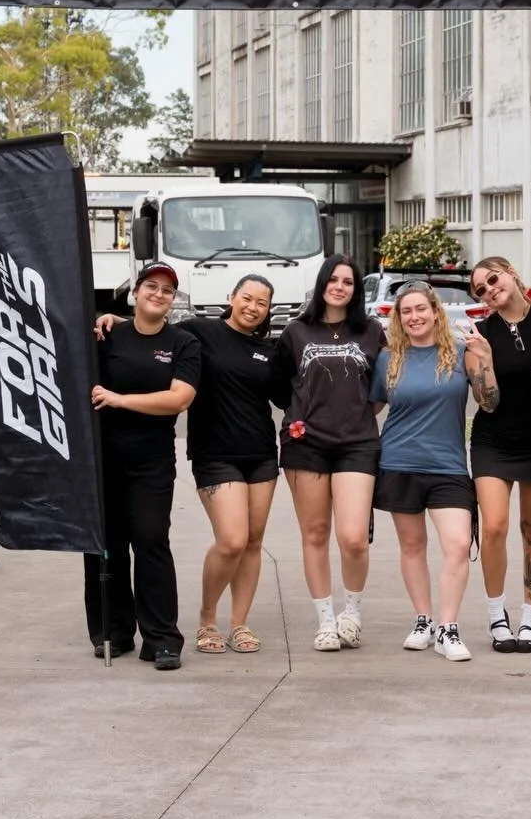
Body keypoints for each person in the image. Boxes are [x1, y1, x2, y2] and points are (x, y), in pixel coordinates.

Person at [96, 274, 281, 656]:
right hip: (215, 454)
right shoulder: (198, 333)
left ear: (268, 310)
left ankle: (240, 624)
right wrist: (110, 318)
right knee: (231, 540)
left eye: (261, 303)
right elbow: (152, 326)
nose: (252, 307)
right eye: (246, 298)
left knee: (252, 541)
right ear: (231, 297)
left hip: (261, 453)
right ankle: (207, 619)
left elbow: (287, 395)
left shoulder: (271, 350)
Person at [371, 280, 498, 662]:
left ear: (435, 312)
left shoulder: (461, 353)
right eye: (406, 311)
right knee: (412, 547)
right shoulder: (387, 359)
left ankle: (449, 627)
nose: (414, 316)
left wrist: (487, 360)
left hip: (448, 466)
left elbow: (488, 402)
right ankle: (424, 620)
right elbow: (369, 409)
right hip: (398, 462)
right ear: (398, 317)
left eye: (420, 309)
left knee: (458, 544)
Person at [83, 263, 201, 670]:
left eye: (167, 290)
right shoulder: (108, 334)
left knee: (151, 541)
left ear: (173, 300)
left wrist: (119, 399)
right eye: (151, 286)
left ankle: (162, 639)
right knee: (106, 545)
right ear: (135, 292)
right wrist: (106, 320)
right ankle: (112, 632)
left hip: (151, 461)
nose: (158, 293)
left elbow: (178, 399)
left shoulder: (183, 343)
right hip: (103, 459)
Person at [270, 254, 385, 651]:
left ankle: (351, 612)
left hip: (357, 443)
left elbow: (379, 390)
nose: (339, 286)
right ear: (321, 284)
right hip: (306, 446)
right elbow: (279, 386)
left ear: (356, 290)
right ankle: (324, 620)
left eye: (348, 282)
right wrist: (301, 416)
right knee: (315, 533)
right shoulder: (296, 332)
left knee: (353, 537)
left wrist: (352, 416)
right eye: (332, 279)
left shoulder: (371, 332)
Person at [468, 255, 531, 653]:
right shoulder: (479, 335)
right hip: (494, 442)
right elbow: (489, 402)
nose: (490, 289)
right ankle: (497, 615)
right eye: (480, 289)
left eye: (493, 279)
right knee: (494, 526)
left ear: (512, 273)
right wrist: (485, 360)